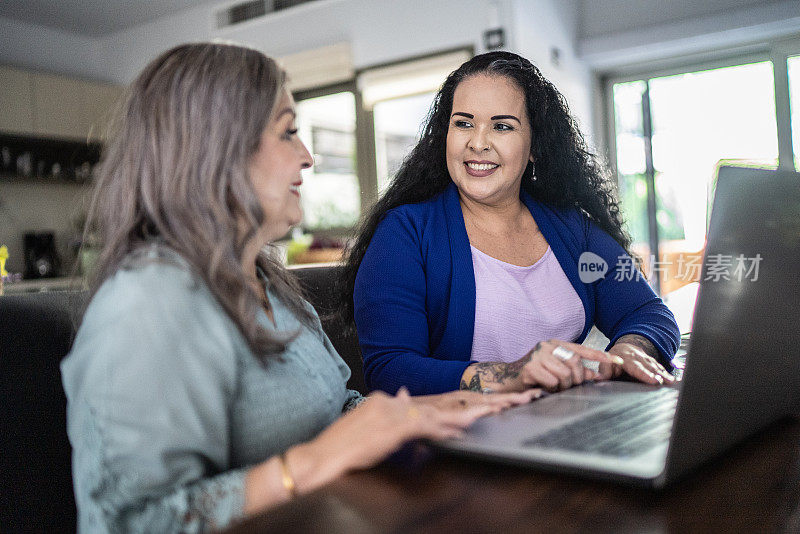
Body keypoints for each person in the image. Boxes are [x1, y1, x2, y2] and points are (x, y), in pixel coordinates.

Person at [60, 43, 538, 533]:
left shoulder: (266, 281)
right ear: (216, 147)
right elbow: (135, 523)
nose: (307, 158)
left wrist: (450, 407)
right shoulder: (148, 301)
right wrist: (312, 463)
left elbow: (336, 409)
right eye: (288, 133)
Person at [339, 51, 680, 396]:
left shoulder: (572, 229)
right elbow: (390, 371)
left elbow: (647, 311)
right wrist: (512, 374)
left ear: (534, 146)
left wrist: (629, 353)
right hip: (463, 440)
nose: (478, 142)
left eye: (501, 126)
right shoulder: (404, 233)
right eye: (463, 123)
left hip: (564, 425)